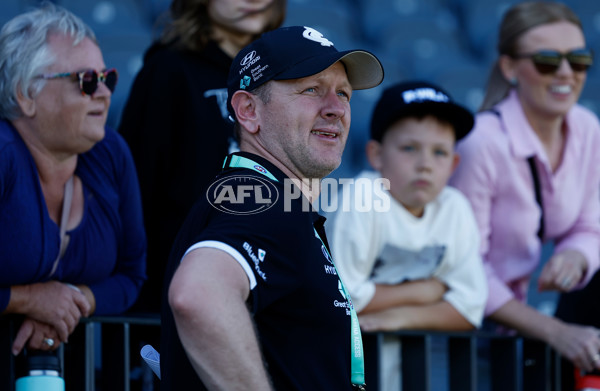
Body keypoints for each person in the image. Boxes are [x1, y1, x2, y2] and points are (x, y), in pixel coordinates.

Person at [160, 25, 384, 390]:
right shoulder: (263, 199)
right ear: (248, 111)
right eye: (311, 89)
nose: (336, 110)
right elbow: (198, 294)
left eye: (343, 94)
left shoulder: (263, 198)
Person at [448, 0, 600, 379]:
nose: (567, 72)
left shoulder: (586, 126)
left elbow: (590, 227)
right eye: (547, 60)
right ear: (510, 67)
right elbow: (466, 268)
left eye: (578, 59)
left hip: (534, 333)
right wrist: (557, 332)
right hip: (471, 331)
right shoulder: (480, 142)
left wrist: (575, 257)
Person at [0, 2, 146, 389]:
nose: (102, 94)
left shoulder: (111, 154)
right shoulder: (3, 156)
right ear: (26, 94)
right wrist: (26, 299)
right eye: (85, 80)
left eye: (107, 79)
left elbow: (132, 276)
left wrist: (72, 299)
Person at [118, 0, 286, 316]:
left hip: (265, 284)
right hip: (180, 289)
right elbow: (137, 194)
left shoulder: (283, 76)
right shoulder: (168, 69)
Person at [326, 81, 487, 390]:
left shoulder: (455, 207)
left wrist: (401, 317)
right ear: (376, 155)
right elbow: (343, 299)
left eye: (439, 152)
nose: (425, 164)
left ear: (454, 164)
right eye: (409, 148)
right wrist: (426, 292)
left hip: (416, 370)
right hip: (345, 366)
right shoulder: (363, 195)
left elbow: (471, 308)